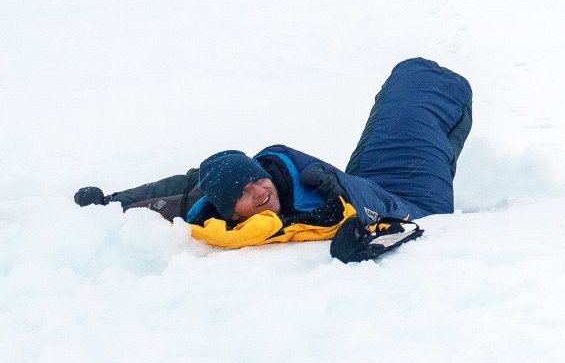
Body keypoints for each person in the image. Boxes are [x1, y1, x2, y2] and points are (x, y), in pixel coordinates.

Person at [73, 57, 473, 252]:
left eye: (256, 180)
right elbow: (175, 191)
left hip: (390, 197)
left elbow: (389, 218)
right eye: (244, 195)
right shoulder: (212, 207)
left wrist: (344, 200)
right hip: (417, 201)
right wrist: (111, 203)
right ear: (229, 212)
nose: (260, 191)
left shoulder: (291, 176)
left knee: (419, 85)